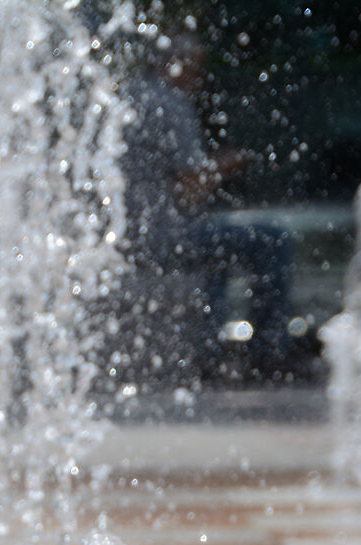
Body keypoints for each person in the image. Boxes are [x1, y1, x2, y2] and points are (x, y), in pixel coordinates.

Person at [120, 31, 300, 375]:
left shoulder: (130, 96)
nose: (200, 78)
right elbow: (190, 187)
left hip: (128, 235)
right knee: (272, 240)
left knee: (218, 249)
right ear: (176, 65)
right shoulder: (170, 103)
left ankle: (209, 352)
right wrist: (227, 164)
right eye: (196, 68)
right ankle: (269, 351)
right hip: (162, 237)